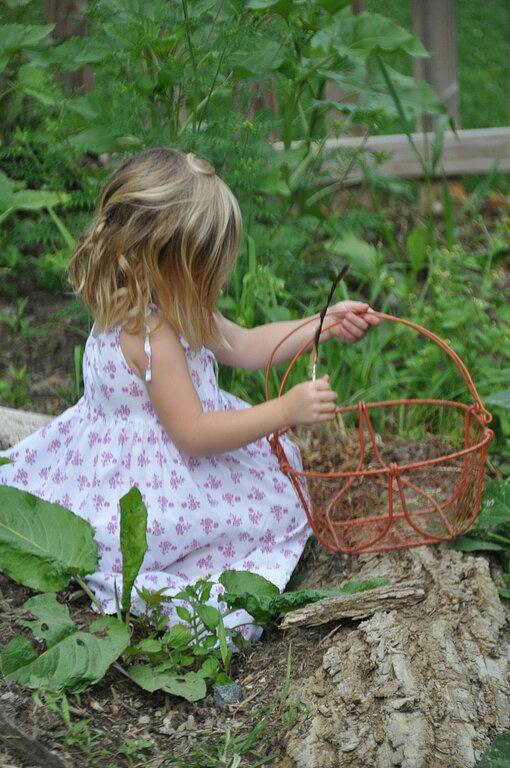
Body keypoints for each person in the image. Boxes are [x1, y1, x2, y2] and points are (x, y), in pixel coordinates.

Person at [0, 147, 380, 647]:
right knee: (260, 515)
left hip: (160, 447)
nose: (215, 279)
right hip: (154, 478)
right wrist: (284, 411)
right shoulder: (150, 332)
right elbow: (194, 434)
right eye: (205, 266)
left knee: (274, 496)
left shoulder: (166, 302)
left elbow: (245, 345)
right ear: (162, 261)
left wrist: (322, 325)